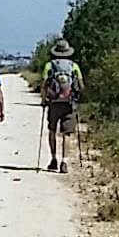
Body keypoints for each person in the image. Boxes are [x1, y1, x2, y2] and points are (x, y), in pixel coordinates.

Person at [38, 39, 83, 173]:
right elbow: (81, 85)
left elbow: (44, 84)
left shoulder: (49, 65)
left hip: (53, 103)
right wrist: (78, 97)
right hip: (69, 103)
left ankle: (53, 159)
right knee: (67, 134)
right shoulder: (74, 66)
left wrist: (44, 99)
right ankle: (64, 161)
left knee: (52, 131)